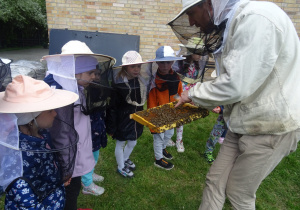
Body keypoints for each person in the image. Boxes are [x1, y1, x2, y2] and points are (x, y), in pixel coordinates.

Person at [169, 0, 300, 209]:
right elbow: (234, 78)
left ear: (209, 5)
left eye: (192, 13)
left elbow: (237, 84)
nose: (192, 23)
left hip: (270, 126)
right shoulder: (232, 24)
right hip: (240, 122)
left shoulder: (256, 19)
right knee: (214, 181)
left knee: (239, 194)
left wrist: (192, 94)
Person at [43, 40, 116, 209]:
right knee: (70, 191)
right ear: (74, 72)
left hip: (76, 150)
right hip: (66, 158)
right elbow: (61, 133)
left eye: (95, 72)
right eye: (90, 72)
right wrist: (66, 168)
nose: (94, 76)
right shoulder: (60, 93)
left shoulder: (75, 86)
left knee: (72, 190)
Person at [0, 75, 78, 209]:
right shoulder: (17, 158)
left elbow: (47, 166)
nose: (55, 114)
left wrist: (57, 181)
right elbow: (26, 202)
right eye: (49, 110)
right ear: (30, 119)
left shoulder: (41, 134)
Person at [106, 51, 149, 178]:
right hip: (122, 119)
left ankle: (125, 159)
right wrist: (112, 127)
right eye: (133, 66)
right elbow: (112, 107)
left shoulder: (140, 82)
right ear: (125, 67)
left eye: (139, 66)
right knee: (121, 143)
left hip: (136, 118)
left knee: (133, 142)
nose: (136, 69)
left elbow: (140, 101)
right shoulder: (118, 84)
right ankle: (120, 167)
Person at [147, 46, 185, 170]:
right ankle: (158, 159)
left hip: (171, 112)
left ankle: (163, 149)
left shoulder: (176, 77)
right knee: (159, 137)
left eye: (168, 62)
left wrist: (179, 107)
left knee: (169, 133)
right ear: (157, 62)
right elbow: (151, 101)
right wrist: (153, 120)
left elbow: (179, 94)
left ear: (172, 62)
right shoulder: (154, 80)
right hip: (158, 114)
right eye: (162, 62)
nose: (164, 65)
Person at [171, 44, 209, 152]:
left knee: (181, 117)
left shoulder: (196, 64)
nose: (200, 56)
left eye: (201, 53)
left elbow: (194, 78)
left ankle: (178, 140)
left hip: (189, 93)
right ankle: (172, 139)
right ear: (191, 52)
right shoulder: (180, 63)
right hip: (180, 92)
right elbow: (175, 77)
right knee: (174, 115)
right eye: (198, 53)